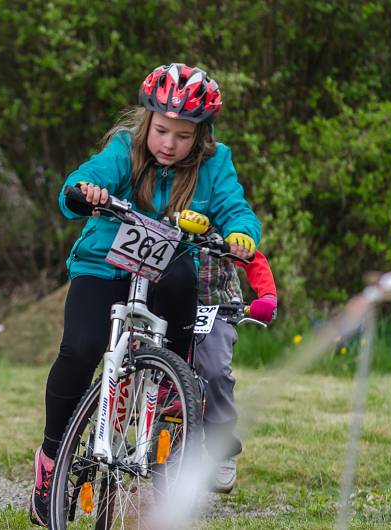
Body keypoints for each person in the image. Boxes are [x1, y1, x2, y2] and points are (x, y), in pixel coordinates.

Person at [29, 63, 261, 527]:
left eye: (182, 135)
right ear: (145, 121)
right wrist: (84, 192)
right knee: (81, 349)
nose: (169, 143)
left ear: (201, 135)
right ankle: (52, 457)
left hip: (169, 267)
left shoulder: (216, 164)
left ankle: (173, 385)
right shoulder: (124, 150)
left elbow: (238, 209)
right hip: (104, 263)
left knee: (180, 285)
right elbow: (80, 182)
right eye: (161, 130)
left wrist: (240, 234)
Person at [195, 248, 277, 494]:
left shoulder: (224, 217)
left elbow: (254, 258)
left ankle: (222, 449)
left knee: (215, 371)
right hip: (166, 302)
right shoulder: (160, 211)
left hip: (216, 307)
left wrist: (267, 296)